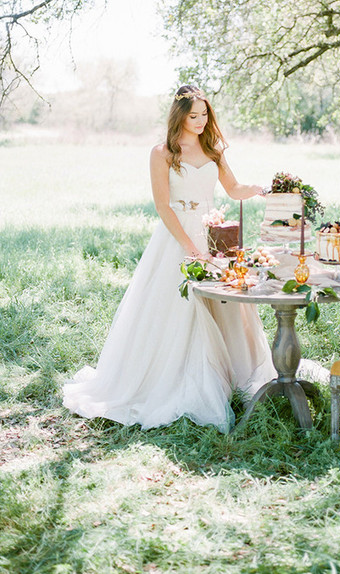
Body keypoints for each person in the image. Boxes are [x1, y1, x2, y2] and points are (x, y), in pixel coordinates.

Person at [63, 84, 275, 432]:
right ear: (180, 117)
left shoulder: (214, 149)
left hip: (213, 233)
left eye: (205, 114)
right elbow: (163, 206)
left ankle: (232, 375)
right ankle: (178, 378)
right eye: (194, 116)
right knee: (178, 307)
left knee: (224, 303)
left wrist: (257, 189)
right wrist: (189, 246)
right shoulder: (162, 153)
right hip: (177, 236)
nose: (201, 122)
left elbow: (233, 189)